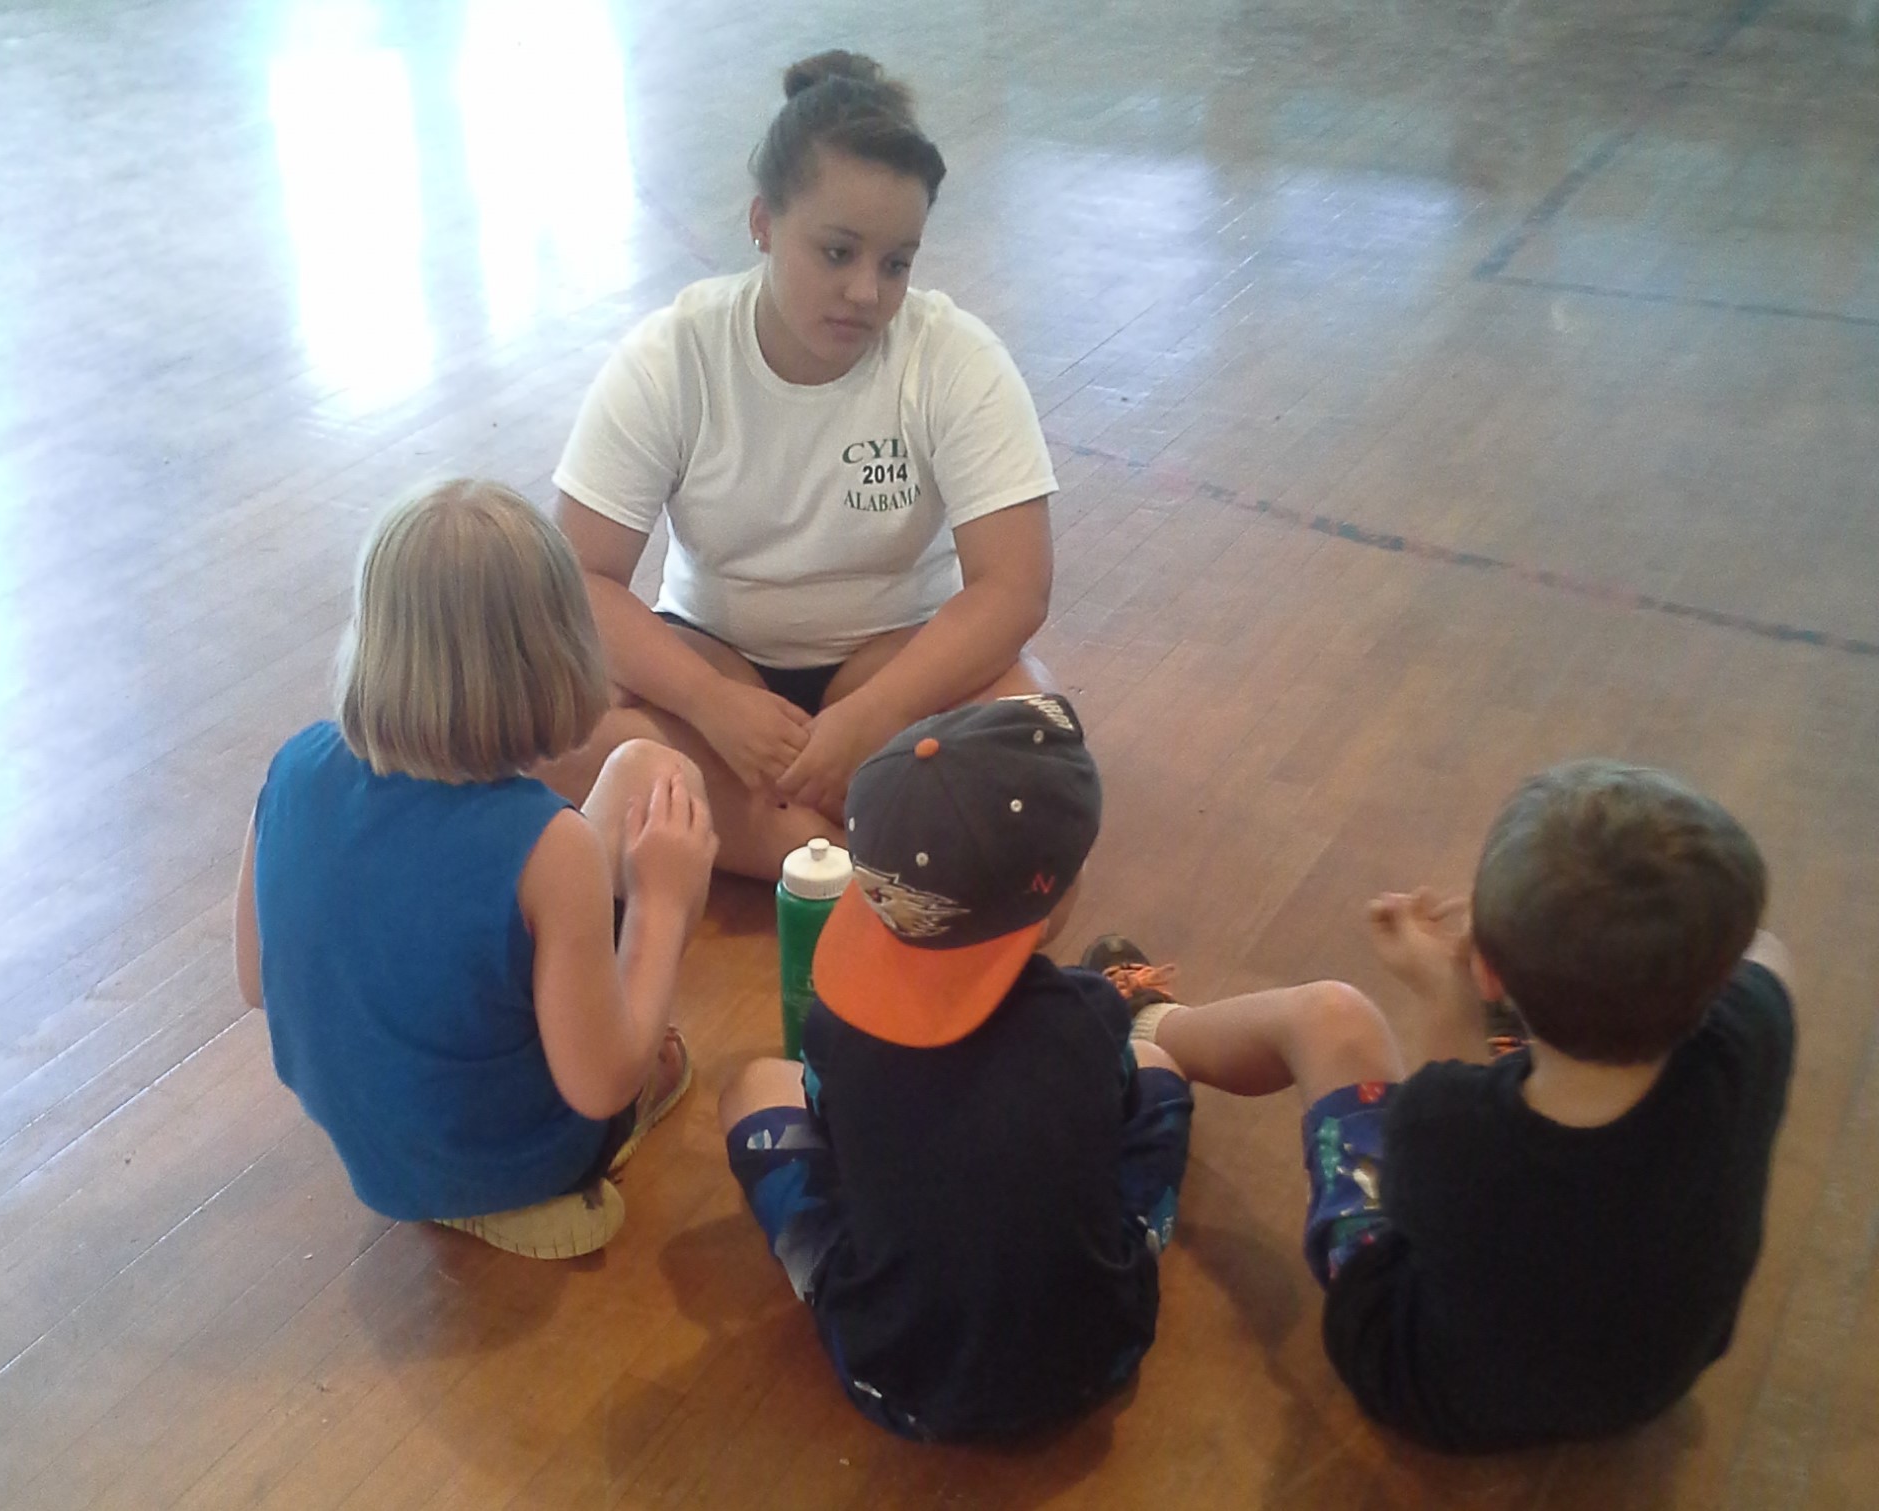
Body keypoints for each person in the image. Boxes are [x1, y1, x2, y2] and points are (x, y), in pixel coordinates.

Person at [1087, 759, 1795, 1451]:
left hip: (1430, 1389)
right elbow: (1768, 953)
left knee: (1330, 1016)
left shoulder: (1447, 1125)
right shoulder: (1755, 1034)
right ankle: (1560, 1031)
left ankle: (1150, 1027)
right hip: (1648, 1382)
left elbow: (1430, 1162)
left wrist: (1446, 992)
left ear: (1489, 970)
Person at [546, 51, 1059, 877]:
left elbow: (1015, 585)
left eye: (896, 263)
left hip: (896, 667)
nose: (866, 290)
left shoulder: (955, 358)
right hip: (715, 662)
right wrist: (712, 704)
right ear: (762, 223)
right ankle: (875, 862)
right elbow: (576, 579)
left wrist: (870, 718)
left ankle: (774, 840)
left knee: (1033, 721)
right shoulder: (671, 357)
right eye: (836, 252)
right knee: (556, 727)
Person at [232, 480, 718, 1258]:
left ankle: (467, 1170)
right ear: (555, 655)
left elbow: (256, 982)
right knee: (664, 838)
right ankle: (534, 1193)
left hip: (369, 1147)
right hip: (516, 1153)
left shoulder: (292, 765)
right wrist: (660, 906)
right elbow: (599, 1084)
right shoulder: (547, 845)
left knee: (644, 770)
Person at [718, 695, 1195, 1441]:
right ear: (1062, 888)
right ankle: (1136, 1220)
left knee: (752, 1086)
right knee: (1158, 1061)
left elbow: (826, 1125)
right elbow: (1113, 1113)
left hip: (888, 1374)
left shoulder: (836, 1032)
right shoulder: (1091, 1015)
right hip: (1100, 1357)